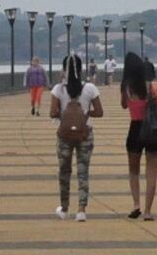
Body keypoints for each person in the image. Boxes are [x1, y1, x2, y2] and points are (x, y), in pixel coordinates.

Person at [50, 54, 103, 222]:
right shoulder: (89, 88)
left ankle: (64, 209)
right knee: (83, 171)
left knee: (64, 171)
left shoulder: (58, 89)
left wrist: (65, 116)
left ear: (64, 69)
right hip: (85, 134)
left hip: (64, 135)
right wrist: (84, 114)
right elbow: (100, 112)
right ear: (81, 69)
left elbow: (52, 113)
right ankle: (81, 210)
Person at [120, 52, 157, 221]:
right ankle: (148, 211)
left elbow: (124, 105)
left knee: (133, 170)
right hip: (153, 130)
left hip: (135, 129)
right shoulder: (153, 87)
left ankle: (136, 204)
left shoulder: (127, 87)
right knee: (151, 171)